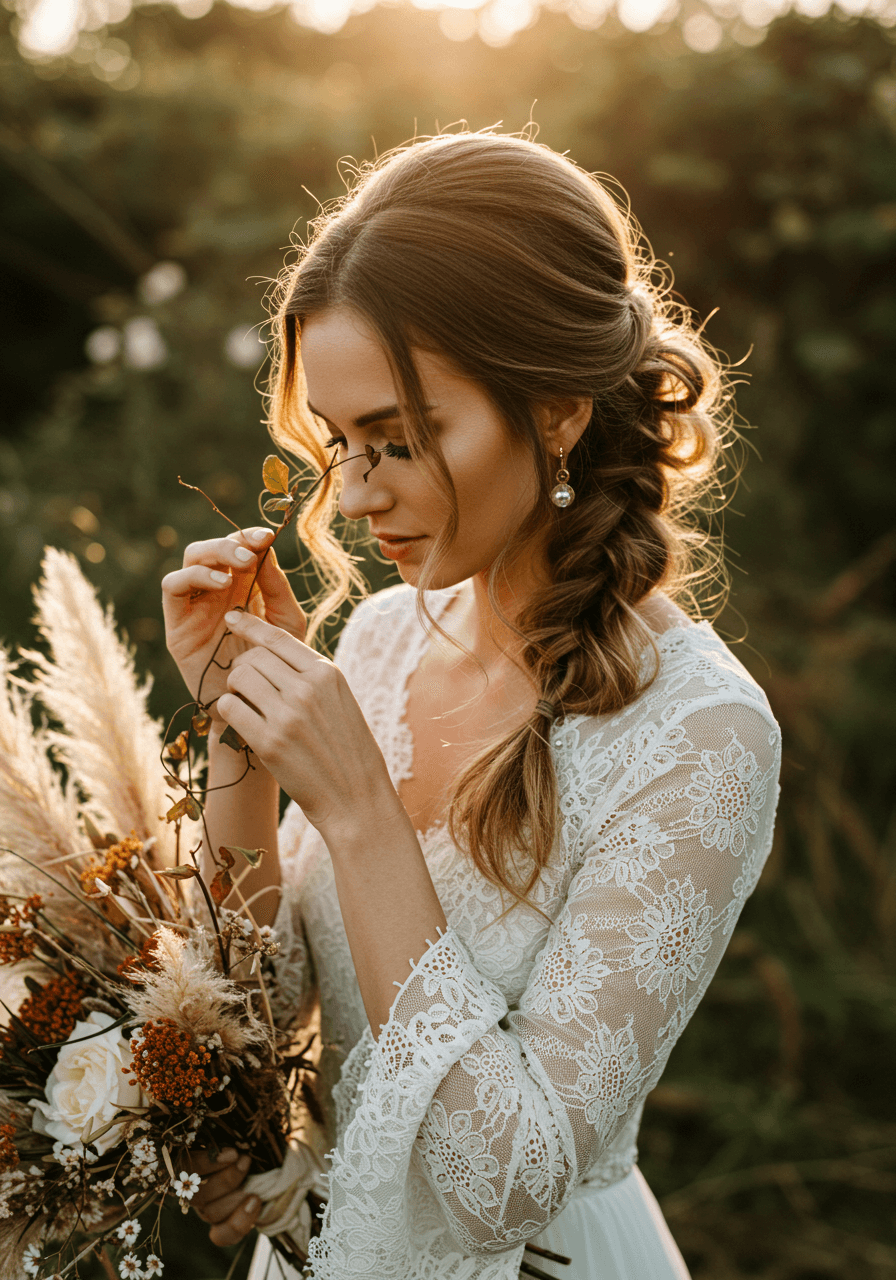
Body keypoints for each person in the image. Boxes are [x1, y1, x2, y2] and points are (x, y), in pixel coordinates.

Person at [161, 130, 781, 1280]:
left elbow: (503, 1180)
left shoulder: (700, 733)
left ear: (552, 408)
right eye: (340, 444)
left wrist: (356, 808)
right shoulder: (388, 636)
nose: (352, 495)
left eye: (400, 439)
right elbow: (269, 1015)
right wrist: (239, 741)